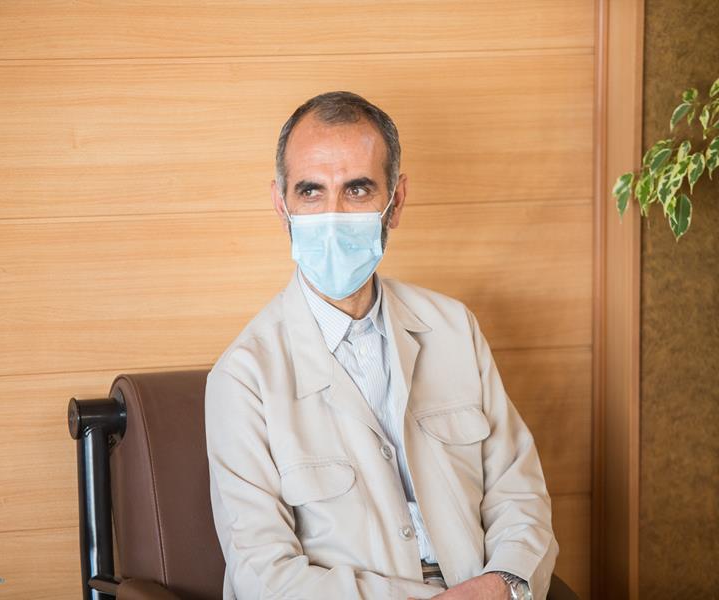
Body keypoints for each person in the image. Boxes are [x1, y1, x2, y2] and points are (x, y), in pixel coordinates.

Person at [204, 91, 558, 600]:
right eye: (311, 191)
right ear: (282, 205)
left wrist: (504, 584)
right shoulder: (243, 377)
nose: (332, 215)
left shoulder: (454, 328)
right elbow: (264, 576)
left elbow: (518, 493)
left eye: (357, 189)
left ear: (396, 202)